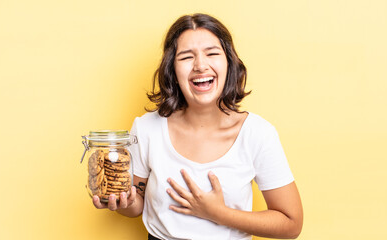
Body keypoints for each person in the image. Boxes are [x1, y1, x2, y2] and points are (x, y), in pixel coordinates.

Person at [93, 13, 303, 240]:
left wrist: (219, 214)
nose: (201, 65)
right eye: (186, 57)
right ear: (172, 70)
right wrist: (126, 202)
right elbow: (135, 205)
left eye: (212, 53)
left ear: (229, 63)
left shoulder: (258, 134)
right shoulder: (146, 128)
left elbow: (291, 224)